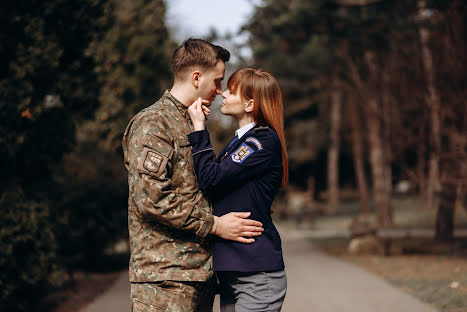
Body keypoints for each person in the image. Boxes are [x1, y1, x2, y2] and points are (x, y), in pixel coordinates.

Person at [122, 39, 264, 312]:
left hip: (199, 276)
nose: (220, 91)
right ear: (197, 77)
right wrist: (214, 225)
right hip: (164, 281)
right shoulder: (153, 122)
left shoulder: (192, 121)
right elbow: (151, 198)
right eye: (218, 81)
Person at [187, 68, 288, 312]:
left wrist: (199, 129)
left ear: (250, 104)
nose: (223, 94)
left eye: (232, 92)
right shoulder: (241, 141)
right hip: (236, 272)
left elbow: (211, 179)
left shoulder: (260, 141)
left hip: (255, 275)